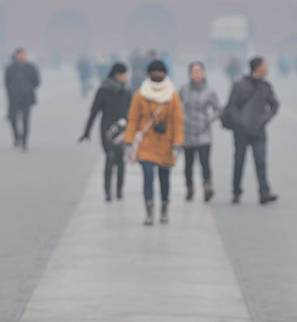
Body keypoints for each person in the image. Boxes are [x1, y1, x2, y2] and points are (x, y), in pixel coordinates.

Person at [124, 59, 183, 226]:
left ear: (165, 74)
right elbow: (133, 118)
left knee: (165, 179)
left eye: (160, 72)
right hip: (146, 143)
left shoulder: (172, 95)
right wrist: (129, 141)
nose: (157, 75)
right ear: (148, 74)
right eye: (154, 72)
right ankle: (149, 211)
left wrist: (178, 142)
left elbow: (178, 120)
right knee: (148, 176)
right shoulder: (140, 94)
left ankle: (164, 208)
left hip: (166, 143)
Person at [223, 57, 279, 205]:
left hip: (258, 131)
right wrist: (239, 121)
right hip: (241, 131)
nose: (267, 69)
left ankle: (264, 191)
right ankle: (236, 191)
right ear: (258, 68)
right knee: (239, 162)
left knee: (260, 161)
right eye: (265, 66)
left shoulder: (266, 87)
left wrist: (263, 120)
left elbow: (274, 105)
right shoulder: (240, 85)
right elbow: (231, 106)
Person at [80, 62, 132, 201]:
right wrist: (87, 132)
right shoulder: (103, 90)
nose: (126, 76)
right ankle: (108, 190)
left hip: (123, 130)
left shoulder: (126, 91)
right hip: (107, 130)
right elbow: (94, 112)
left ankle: (119, 189)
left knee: (121, 159)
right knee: (109, 157)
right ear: (117, 75)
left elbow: (132, 112)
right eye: (124, 74)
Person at [178, 61, 221, 202]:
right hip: (187, 132)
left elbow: (218, 110)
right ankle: (189, 187)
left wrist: (208, 119)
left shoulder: (210, 91)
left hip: (204, 133)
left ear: (204, 73)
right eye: (194, 71)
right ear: (189, 74)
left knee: (204, 162)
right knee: (188, 164)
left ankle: (207, 186)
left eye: (199, 71)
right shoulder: (184, 89)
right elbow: (176, 107)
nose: (197, 74)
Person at [4, 48, 41, 150]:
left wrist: (28, 87)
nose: (21, 56)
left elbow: (37, 81)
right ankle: (17, 136)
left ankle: (25, 140)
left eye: (23, 54)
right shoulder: (10, 68)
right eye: (19, 55)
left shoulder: (31, 67)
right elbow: (6, 83)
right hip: (14, 98)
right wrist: (12, 91)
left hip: (27, 98)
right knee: (13, 119)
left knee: (25, 120)